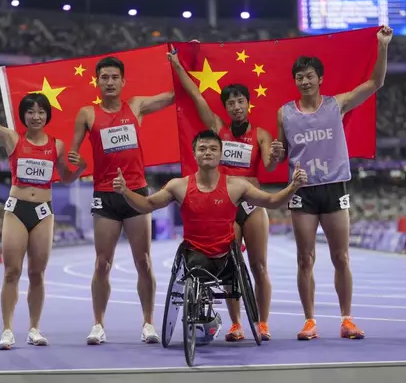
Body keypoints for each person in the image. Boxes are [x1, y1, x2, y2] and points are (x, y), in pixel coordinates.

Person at [112, 130, 307, 340]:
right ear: (194, 154)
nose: (208, 152)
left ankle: (255, 322)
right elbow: (147, 204)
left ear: (221, 155)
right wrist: (125, 191)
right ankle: (219, 319)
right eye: (202, 149)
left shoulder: (237, 185)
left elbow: (271, 201)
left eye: (213, 149)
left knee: (253, 266)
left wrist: (293, 186)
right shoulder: (179, 186)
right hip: (194, 258)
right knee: (195, 263)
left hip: (226, 259)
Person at [275, 26, 393, 340]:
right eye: (299, 76)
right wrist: (275, 153)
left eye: (309, 75)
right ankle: (310, 321)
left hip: (335, 186)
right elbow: (278, 156)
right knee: (305, 258)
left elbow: (375, 83)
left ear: (320, 78)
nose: (304, 80)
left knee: (341, 256)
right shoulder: (284, 113)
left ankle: (346, 319)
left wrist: (382, 46)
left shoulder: (336, 105)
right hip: (302, 192)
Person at [167, 44, 283, 341]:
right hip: (226, 205)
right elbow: (195, 96)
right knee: (233, 265)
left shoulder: (261, 135)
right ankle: (236, 324)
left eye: (240, 101)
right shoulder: (219, 130)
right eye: (230, 102)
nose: (235, 106)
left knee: (259, 265)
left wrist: (277, 154)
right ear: (226, 107)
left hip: (253, 204)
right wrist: (178, 66)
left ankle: (264, 322)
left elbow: (270, 164)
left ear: (248, 103)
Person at [0, 67, 87, 350]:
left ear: (47, 115)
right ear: (23, 115)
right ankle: (7, 330)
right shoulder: (13, 139)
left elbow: (67, 177)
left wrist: (81, 167)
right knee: (11, 271)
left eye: (41, 111)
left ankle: (34, 328)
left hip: (43, 212)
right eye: (30, 111)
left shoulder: (57, 146)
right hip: (16, 209)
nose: (36, 116)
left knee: (37, 273)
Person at [69, 56, 175, 345]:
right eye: (104, 77)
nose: (110, 82)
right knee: (102, 263)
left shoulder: (136, 106)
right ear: (97, 81)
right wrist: (75, 162)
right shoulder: (87, 114)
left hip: (137, 193)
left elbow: (172, 96)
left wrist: (183, 63)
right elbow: (72, 162)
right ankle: (98, 325)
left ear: (123, 81)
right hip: (105, 196)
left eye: (115, 77)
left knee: (143, 262)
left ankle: (148, 323)